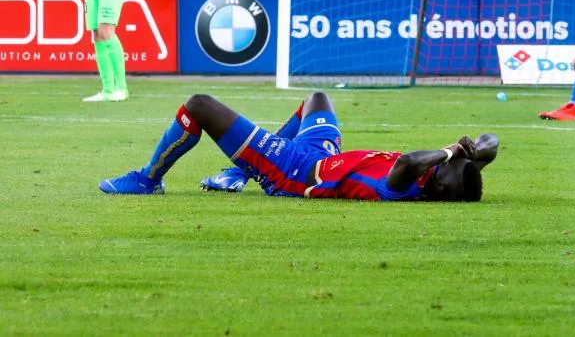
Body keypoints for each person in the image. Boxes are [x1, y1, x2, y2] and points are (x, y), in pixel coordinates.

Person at [99, 91, 500, 201]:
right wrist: (477, 150)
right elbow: (492, 145)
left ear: (440, 184)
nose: (449, 162)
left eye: (445, 168)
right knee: (316, 99)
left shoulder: (405, 187)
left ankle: (149, 179)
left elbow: (410, 162)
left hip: (291, 170)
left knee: (200, 106)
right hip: (325, 157)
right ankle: (238, 171)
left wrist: (450, 150)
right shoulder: (450, 180)